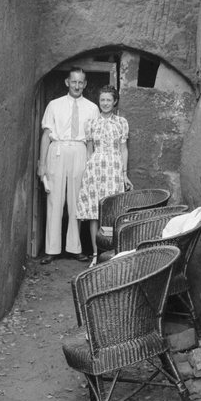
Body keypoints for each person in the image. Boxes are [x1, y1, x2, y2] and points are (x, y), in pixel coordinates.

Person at [37, 67, 100, 264]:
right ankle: (51, 249)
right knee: (55, 199)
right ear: (67, 82)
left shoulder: (92, 108)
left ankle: (75, 248)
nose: (77, 86)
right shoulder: (54, 105)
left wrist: (93, 164)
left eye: (81, 82)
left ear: (85, 84)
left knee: (76, 200)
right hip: (58, 150)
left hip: (80, 151)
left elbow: (94, 139)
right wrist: (42, 164)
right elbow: (46, 136)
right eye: (74, 82)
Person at [76, 85, 133, 267]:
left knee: (112, 212)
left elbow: (124, 149)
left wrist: (124, 174)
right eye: (102, 100)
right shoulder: (91, 123)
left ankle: (110, 254)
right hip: (95, 171)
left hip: (114, 169)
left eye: (109, 100)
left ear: (115, 101)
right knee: (94, 212)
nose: (105, 103)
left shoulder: (121, 122)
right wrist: (88, 171)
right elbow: (89, 151)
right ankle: (95, 253)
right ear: (99, 102)